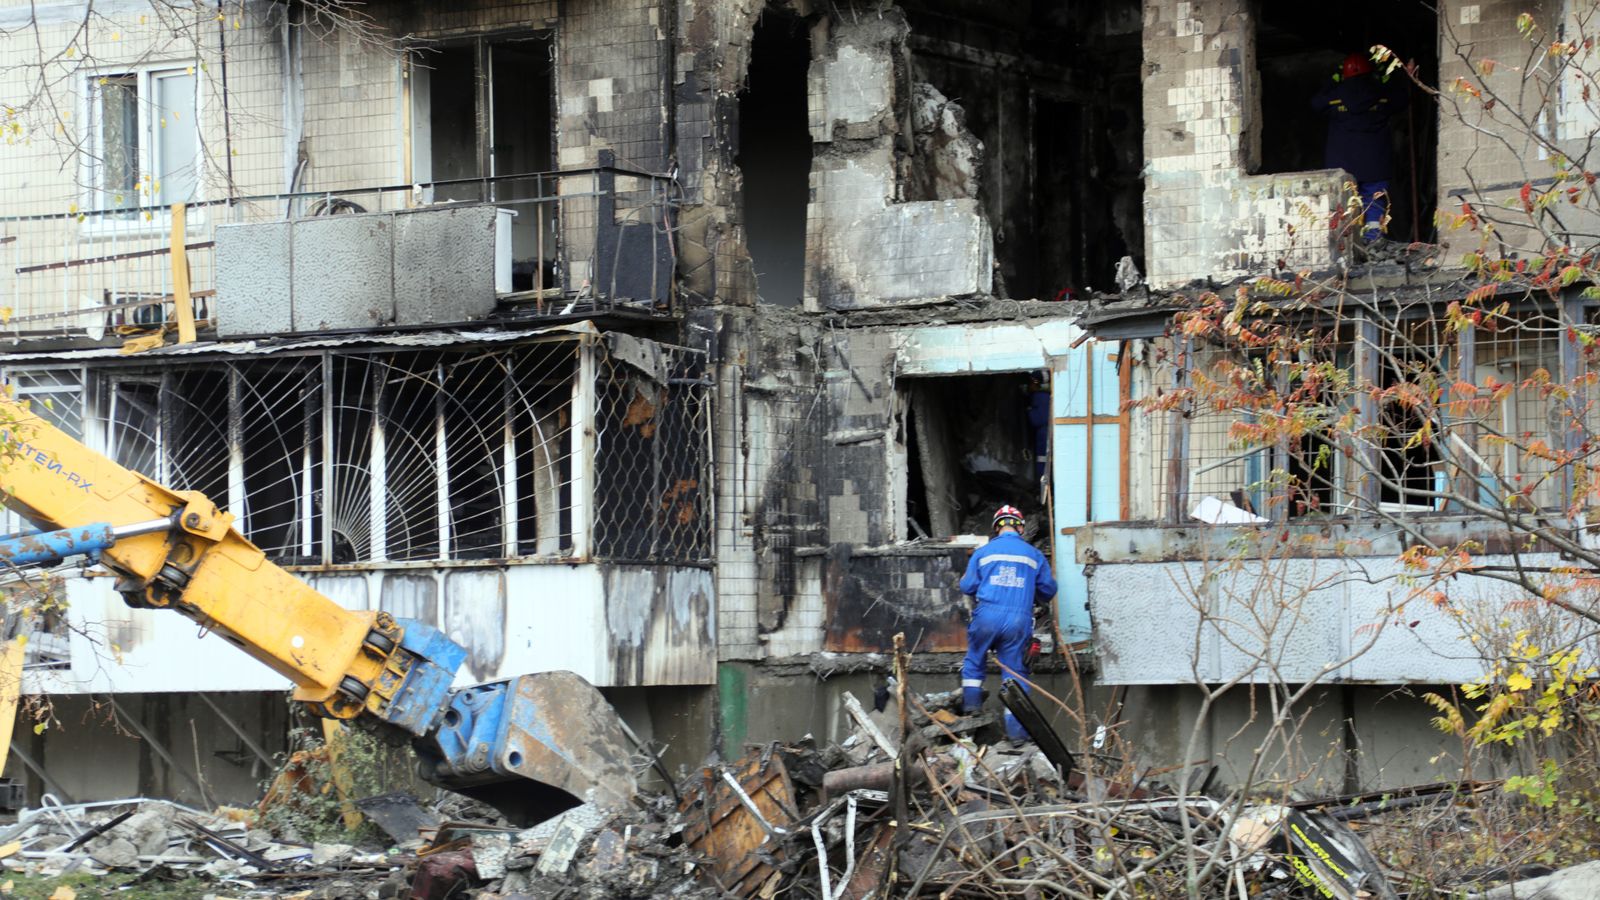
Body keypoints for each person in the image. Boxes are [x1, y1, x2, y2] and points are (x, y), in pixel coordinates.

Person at [958, 505, 1057, 741]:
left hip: (986, 616)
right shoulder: (1033, 555)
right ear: (1020, 527)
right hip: (1018, 620)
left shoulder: (984, 553)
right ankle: (1017, 736)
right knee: (1014, 675)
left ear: (996, 528)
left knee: (974, 659)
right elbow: (1049, 590)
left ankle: (972, 710)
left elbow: (967, 586)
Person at [1312, 52, 1410, 241]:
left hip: (1342, 165)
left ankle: (1347, 245)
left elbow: (1315, 103)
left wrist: (1332, 81)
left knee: (1344, 204)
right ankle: (1374, 241)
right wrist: (1389, 78)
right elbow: (1403, 99)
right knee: (1374, 201)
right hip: (1376, 162)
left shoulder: (1334, 96)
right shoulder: (1382, 93)